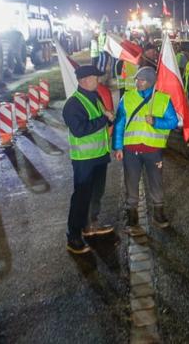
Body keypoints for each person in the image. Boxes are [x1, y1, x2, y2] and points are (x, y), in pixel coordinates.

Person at [113, 67, 178, 231]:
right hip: (130, 151)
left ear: (150, 82)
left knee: (156, 182)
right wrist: (118, 146)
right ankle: (132, 215)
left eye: (141, 80)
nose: (137, 82)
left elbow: (173, 122)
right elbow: (119, 123)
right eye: (136, 79)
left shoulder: (162, 99)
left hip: (153, 151)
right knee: (131, 183)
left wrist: (156, 121)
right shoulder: (127, 97)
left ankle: (159, 212)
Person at [62, 65, 115, 254]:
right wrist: (103, 119)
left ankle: (91, 225)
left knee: (96, 195)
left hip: (100, 156)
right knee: (81, 198)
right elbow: (80, 129)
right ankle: (73, 236)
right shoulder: (73, 104)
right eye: (95, 78)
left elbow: (100, 122)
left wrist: (109, 119)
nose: (98, 81)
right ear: (84, 80)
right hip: (84, 160)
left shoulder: (95, 96)